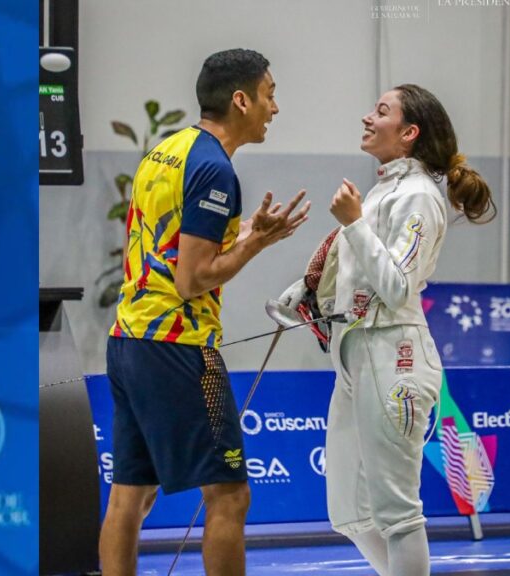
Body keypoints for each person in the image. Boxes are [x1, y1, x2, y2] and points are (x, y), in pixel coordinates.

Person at [101, 48, 310, 576]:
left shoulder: (166, 150)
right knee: (230, 497)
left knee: (131, 497)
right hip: (180, 350)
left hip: (128, 342)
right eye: (269, 94)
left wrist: (243, 234)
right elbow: (193, 279)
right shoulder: (216, 169)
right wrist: (256, 246)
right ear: (241, 100)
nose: (275, 107)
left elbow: (170, 245)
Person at [280, 84, 495, 576]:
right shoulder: (385, 190)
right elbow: (360, 267)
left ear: (408, 133)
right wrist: (308, 288)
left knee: (398, 517)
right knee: (349, 514)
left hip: (395, 356)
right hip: (357, 354)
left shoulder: (420, 196)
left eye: (381, 112)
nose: (367, 118)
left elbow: (398, 286)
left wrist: (354, 223)